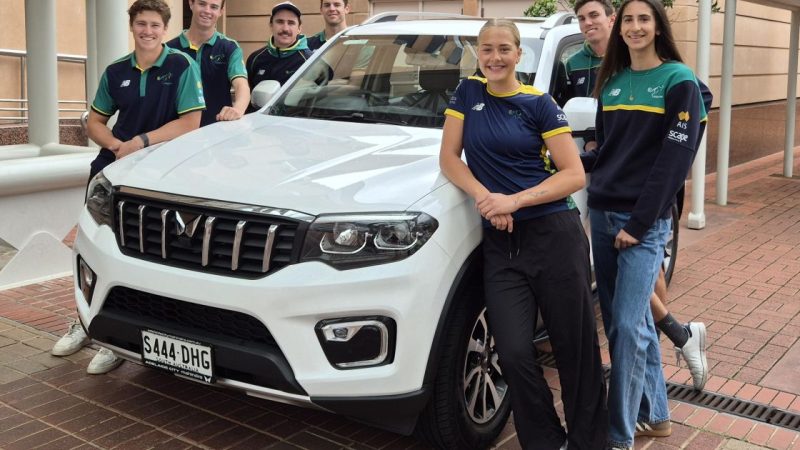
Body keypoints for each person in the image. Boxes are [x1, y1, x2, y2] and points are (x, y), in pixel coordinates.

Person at [440, 19, 607, 450]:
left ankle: (590, 442)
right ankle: (545, 441)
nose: (494, 57)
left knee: (574, 350)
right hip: (502, 245)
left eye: (503, 49)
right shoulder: (467, 94)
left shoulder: (539, 103)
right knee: (512, 351)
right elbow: (450, 160)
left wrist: (514, 201)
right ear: (478, 53)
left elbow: (573, 176)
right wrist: (487, 198)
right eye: (487, 49)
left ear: (518, 55)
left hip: (554, 235)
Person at [51, 0, 205, 375]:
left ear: (165, 29)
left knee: (140, 259)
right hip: (113, 170)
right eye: (141, 24)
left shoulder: (182, 65)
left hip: (160, 175)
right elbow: (95, 122)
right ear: (132, 27)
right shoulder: (116, 70)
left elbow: (191, 123)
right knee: (91, 249)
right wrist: (117, 146)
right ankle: (87, 324)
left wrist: (140, 142)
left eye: (154, 25)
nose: (147, 31)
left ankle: (120, 340)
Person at [566, 0, 710, 398]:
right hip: (607, 201)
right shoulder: (590, 71)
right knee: (628, 318)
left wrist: (644, 216)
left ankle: (623, 426)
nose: (588, 24)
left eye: (595, 15)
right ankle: (661, 394)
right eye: (581, 18)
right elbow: (599, 139)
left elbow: (683, 136)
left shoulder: (674, 76)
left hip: (645, 210)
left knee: (632, 317)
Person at [166, 0, 249, 126]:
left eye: (214, 7)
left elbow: (241, 85)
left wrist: (238, 109)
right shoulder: (169, 50)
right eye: (202, 4)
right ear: (191, 4)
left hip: (216, 130)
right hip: (177, 134)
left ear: (221, 12)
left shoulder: (229, 47)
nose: (207, 11)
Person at [245, 1, 312, 111]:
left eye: (291, 23)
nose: (285, 28)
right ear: (271, 26)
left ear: (299, 28)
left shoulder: (310, 61)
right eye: (280, 22)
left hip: (294, 125)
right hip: (257, 124)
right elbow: (247, 97)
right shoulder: (255, 59)